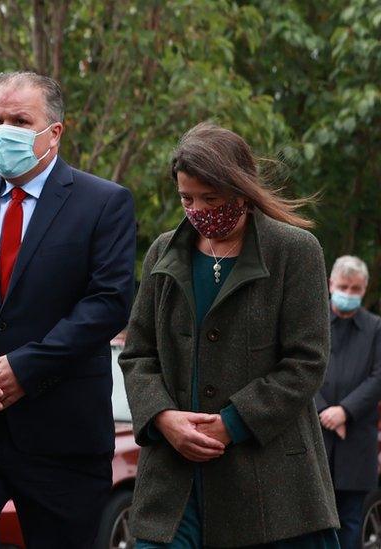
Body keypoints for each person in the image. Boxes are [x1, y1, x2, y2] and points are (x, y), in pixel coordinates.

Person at [0, 71, 137, 548]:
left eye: (20, 120)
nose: (4, 131)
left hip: (61, 434)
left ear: (55, 132)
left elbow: (108, 304)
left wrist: (24, 369)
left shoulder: (104, 203)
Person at [120, 122, 340, 547]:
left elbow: (306, 362)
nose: (199, 209)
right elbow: (137, 354)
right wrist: (163, 418)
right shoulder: (162, 253)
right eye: (187, 198)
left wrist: (232, 423)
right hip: (171, 484)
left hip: (269, 488)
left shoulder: (296, 252)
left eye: (211, 198)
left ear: (242, 190)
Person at [317, 255, 381, 549]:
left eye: (355, 289)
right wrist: (323, 412)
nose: (349, 294)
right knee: (313, 524)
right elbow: (295, 367)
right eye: (344, 286)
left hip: (356, 440)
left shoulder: (375, 329)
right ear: (331, 284)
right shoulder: (313, 322)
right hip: (315, 439)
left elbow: (378, 378)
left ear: (365, 288)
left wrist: (344, 412)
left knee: (351, 523)